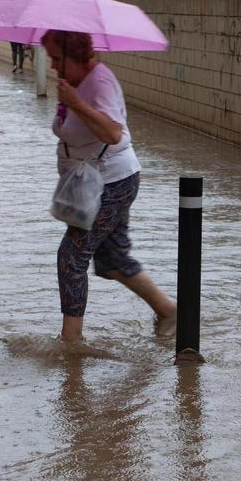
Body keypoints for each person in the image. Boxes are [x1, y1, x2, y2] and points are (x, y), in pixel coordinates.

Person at [44, 29, 176, 343]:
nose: (52, 65)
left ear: (76, 56)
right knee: (112, 260)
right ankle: (170, 311)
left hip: (111, 183)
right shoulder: (74, 83)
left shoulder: (99, 82)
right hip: (98, 181)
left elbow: (113, 133)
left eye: (57, 58)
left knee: (71, 256)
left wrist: (76, 103)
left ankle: (71, 342)